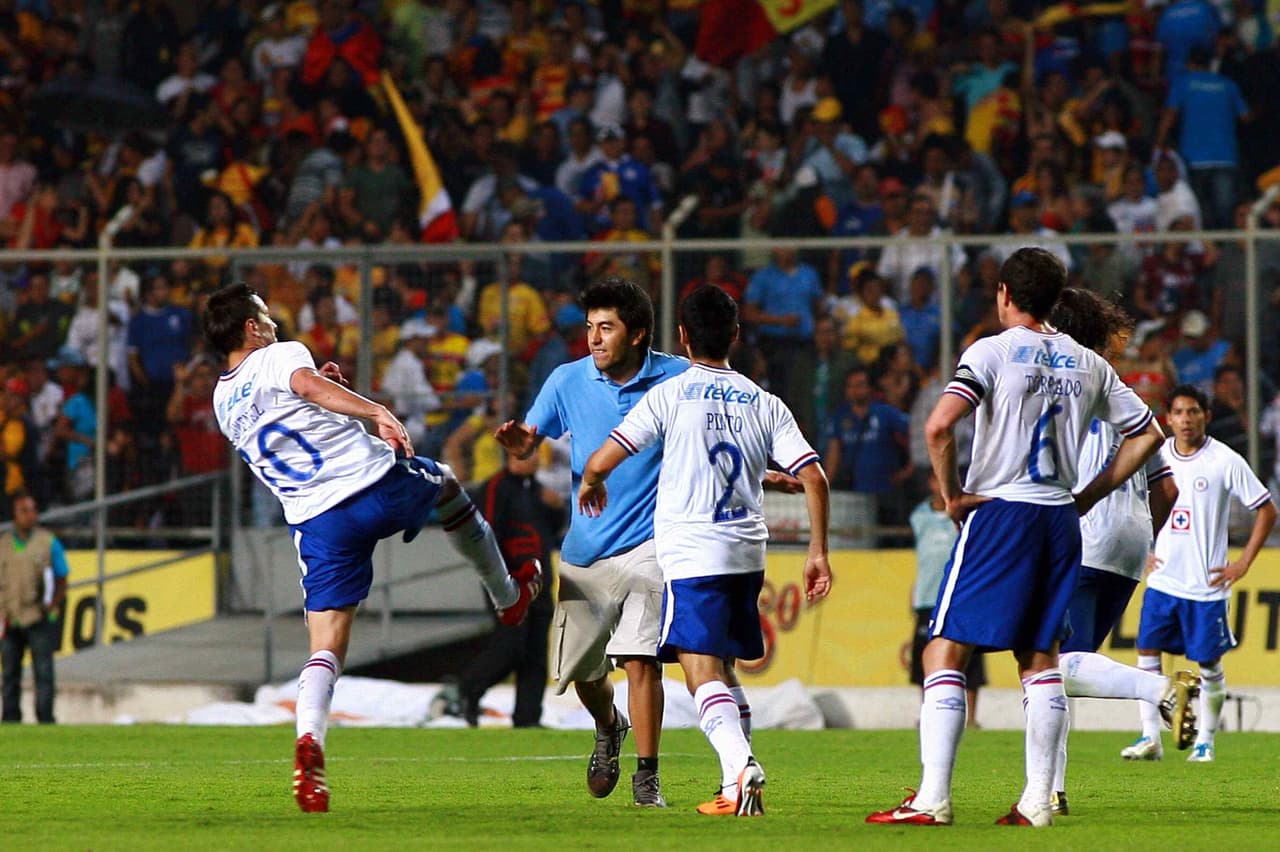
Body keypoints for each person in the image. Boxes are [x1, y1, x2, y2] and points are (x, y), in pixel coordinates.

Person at [203, 283, 542, 814]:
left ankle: (310, 745)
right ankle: (508, 597)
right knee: (449, 485)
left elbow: (300, 414)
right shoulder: (282, 355)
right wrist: (373, 411)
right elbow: (306, 388)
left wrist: (332, 397)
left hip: (317, 525)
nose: (273, 322)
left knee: (326, 647)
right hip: (369, 483)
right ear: (250, 327)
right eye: (265, 316)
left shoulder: (223, 402)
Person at [867, 247, 1164, 828]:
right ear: (1055, 299)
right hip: (1059, 519)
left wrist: (952, 494)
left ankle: (932, 798)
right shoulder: (1088, 362)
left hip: (1001, 512)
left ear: (1004, 293)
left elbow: (939, 424)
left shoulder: (992, 351)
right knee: (1041, 658)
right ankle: (1037, 800)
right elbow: (1148, 433)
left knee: (944, 647)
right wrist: (1091, 493)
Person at [577, 284, 833, 817]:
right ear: (735, 336)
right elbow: (814, 476)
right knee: (725, 665)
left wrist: (592, 481)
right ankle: (731, 781)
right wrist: (817, 552)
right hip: (747, 554)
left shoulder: (671, 394)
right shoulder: (765, 402)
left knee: (698, 669)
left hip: (696, 553)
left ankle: (741, 769)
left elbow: (608, 455)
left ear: (683, 337)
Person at [494, 276, 682, 808]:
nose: (595, 339)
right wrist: (521, 443)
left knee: (642, 659)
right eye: (590, 328)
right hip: (585, 550)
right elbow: (530, 443)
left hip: (651, 543)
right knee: (578, 671)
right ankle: (609, 724)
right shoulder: (566, 380)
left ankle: (648, 779)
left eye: (607, 328)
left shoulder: (676, 378)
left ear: (639, 333)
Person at [1046, 288, 1197, 813]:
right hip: (1129, 543)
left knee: (1051, 665)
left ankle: (1160, 692)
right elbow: (1168, 487)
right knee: (1069, 663)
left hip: (1083, 536)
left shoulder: (1067, 383)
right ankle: (1053, 789)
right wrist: (1141, 536)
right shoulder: (1126, 392)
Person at [1124, 384, 1276, 763]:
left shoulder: (1224, 460)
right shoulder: (1155, 457)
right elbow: (1135, 504)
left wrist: (1242, 565)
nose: (1186, 419)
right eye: (1179, 412)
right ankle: (1150, 737)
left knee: (1208, 664)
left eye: (1193, 412)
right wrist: (1143, 551)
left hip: (1206, 587)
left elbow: (1267, 510)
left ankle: (1205, 740)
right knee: (1146, 652)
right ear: (1169, 418)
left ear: (1206, 416)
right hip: (1163, 580)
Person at [457, 448, 566, 728]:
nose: (533, 459)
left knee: (536, 653)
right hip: (509, 584)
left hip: (540, 583)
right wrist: (498, 578)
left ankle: (528, 718)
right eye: (525, 454)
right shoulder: (495, 487)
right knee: (510, 647)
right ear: (510, 457)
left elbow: (552, 534)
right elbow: (486, 534)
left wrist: (557, 510)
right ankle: (469, 689)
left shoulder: (539, 492)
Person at [909, 471, 985, 726]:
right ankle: (927, 712)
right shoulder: (919, 516)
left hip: (963, 597)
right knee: (925, 657)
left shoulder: (968, 513)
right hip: (929, 597)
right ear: (930, 483)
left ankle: (971, 718)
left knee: (970, 659)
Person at [0, 491, 68, 724]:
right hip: (9, 617)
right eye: (24, 511)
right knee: (9, 672)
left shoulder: (48, 542)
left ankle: (45, 717)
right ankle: (10, 718)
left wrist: (52, 605)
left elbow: (62, 577)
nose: (31, 515)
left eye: (33, 510)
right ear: (15, 514)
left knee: (44, 671)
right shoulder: (4, 544)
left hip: (37, 616)